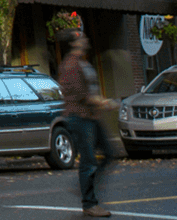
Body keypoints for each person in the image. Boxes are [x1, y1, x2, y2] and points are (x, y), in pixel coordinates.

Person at [58, 25, 119, 217]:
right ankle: (89, 203)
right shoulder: (70, 65)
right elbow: (82, 96)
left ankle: (83, 186)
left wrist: (101, 103)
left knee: (109, 153)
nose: (85, 40)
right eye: (81, 37)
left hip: (91, 116)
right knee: (88, 161)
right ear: (73, 43)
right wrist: (105, 102)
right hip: (80, 117)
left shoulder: (82, 63)